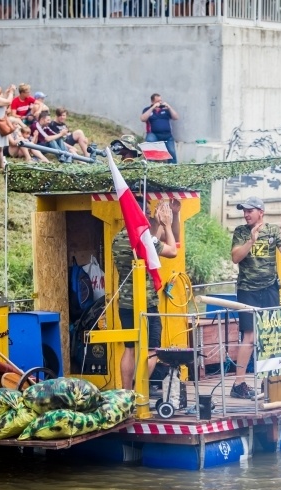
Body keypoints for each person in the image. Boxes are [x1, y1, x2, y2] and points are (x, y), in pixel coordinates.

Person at [112, 201, 179, 390]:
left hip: (125, 302)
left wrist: (155, 226)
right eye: (147, 213)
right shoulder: (144, 239)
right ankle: (139, 391)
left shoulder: (117, 239)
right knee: (152, 350)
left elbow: (148, 250)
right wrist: (166, 224)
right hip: (146, 302)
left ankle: (126, 393)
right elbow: (172, 251)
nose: (149, 217)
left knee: (129, 349)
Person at [230, 197, 281, 399]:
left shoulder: (273, 230)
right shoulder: (241, 231)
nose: (246, 214)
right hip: (247, 289)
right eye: (244, 211)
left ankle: (269, 382)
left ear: (261, 212)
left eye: (250, 211)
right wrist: (251, 240)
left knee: (270, 336)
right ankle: (239, 383)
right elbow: (235, 257)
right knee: (249, 335)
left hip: (270, 289)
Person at [140, 93, 179, 164]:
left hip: (167, 135)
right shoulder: (147, 109)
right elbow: (143, 119)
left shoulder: (166, 110)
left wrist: (169, 107)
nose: (160, 103)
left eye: (160, 101)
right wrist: (152, 108)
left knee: (172, 151)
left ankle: (173, 167)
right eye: (157, 101)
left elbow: (176, 117)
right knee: (149, 142)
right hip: (153, 134)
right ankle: (149, 164)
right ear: (152, 102)